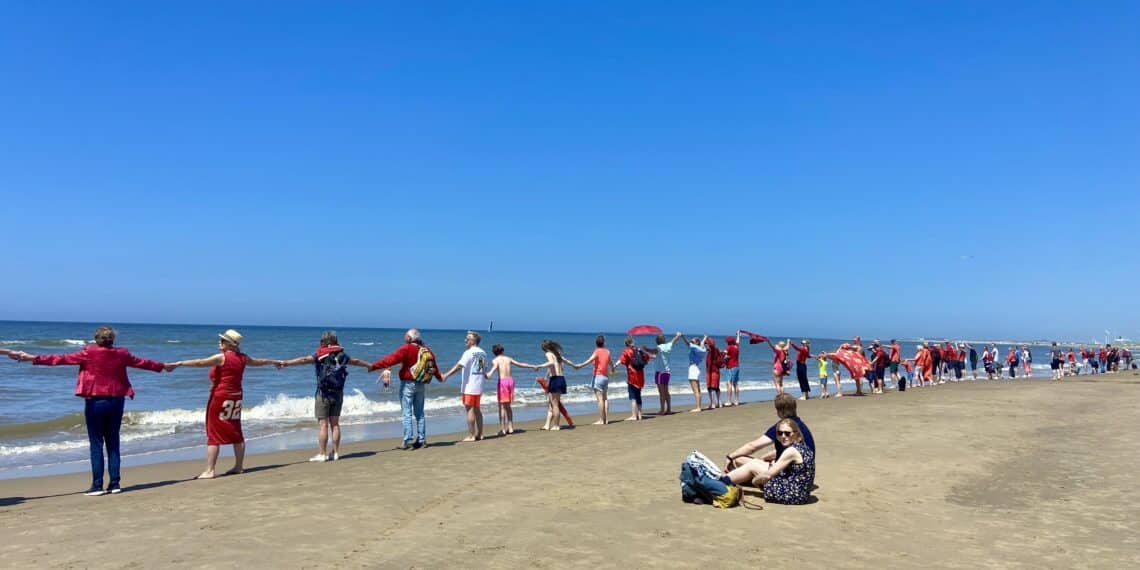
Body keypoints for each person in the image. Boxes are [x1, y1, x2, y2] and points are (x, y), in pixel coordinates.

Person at [5, 326, 167, 495]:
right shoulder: (122, 353)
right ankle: (115, 484)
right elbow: (143, 363)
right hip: (117, 401)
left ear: (96, 339)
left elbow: (60, 359)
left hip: (96, 401)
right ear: (112, 339)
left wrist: (33, 358)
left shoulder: (89, 352)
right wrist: (163, 366)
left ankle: (97, 485)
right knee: (113, 443)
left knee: (96, 443)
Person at [168, 329, 281, 479]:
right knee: (236, 430)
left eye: (222, 340)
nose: (219, 342)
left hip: (220, 397)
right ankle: (239, 466)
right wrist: (274, 361)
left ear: (229, 344)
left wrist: (179, 363)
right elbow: (260, 362)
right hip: (236, 397)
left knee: (213, 433)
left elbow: (200, 363)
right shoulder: (243, 358)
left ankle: (210, 470)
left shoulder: (222, 357)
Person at [278, 330, 372, 462]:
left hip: (323, 394)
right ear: (335, 341)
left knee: (323, 425)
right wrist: (370, 365)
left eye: (321, 341)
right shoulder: (342, 355)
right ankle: (336, 453)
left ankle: (322, 454)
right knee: (335, 424)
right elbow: (356, 361)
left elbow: (304, 360)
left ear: (324, 342)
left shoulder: (320, 354)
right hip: (338, 393)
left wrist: (286, 363)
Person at [368, 329, 443, 450]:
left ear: (409, 338)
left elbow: (391, 359)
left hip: (408, 384)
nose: (404, 337)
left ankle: (408, 440)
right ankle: (421, 440)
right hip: (421, 384)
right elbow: (434, 366)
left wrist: (373, 366)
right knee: (420, 413)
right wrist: (439, 378)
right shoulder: (427, 349)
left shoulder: (406, 348)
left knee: (407, 412)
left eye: (406, 335)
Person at [722, 419, 814, 505]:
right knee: (755, 463)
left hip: (791, 494)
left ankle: (721, 483)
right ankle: (727, 480)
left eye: (787, 433)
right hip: (801, 492)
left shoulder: (791, 451)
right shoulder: (802, 447)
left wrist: (755, 481)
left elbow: (768, 475)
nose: (783, 436)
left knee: (753, 465)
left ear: (796, 433)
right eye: (780, 433)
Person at [723, 393, 815, 470]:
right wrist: (764, 458)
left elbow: (753, 447)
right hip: (806, 471)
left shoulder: (783, 427)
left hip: (789, 473)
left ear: (780, 411)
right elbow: (785, 450)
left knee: (739, 459)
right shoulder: (800, 425)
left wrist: (730, 456)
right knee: (765, 460)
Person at [440, 331, 493, 442]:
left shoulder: (469, 352)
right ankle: (480, 434)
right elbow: (482, 369)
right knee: (477, 410)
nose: (465, 340)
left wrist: (446, 375)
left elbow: (460, 365)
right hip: (478, 386)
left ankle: (471, 435)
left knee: (470, 410)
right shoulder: (482, 353)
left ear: (473, 341)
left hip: (469, 386)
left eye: (467, 339)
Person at [486, 344, 536, 435]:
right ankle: (511, 428)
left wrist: (489, 374)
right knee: (508, 406)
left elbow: (494, 368)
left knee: (502, 407)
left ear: (494, 353)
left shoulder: (495, 360)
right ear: (503, 351)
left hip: (503, 382)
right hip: (510, 381)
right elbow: (520, 364)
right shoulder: (508, 359)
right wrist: (532, 366)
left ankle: (502, 429)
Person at [572, 335, 613, 425]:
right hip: (605, 377)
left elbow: (589, 360)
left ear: (596, 343)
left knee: (600, 400)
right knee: (605, 399)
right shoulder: (607, 351)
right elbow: (610, 363)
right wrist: (613, 369)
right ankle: (606, 419)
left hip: (598, 377)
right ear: (604, 343)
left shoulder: (597, 351)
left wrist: (580, 366)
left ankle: (601, 420)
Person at [534, 339, 574, 430]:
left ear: (545, 348)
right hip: (561, 379)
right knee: (552, 404)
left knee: (554, 405)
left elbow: (551, 363)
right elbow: (567, 361)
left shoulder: (548, 354)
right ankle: (547, 425)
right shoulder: (557, 354)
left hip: (555, 379)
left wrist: (538, 366)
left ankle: (556, 425)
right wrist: (576, 366)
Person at [650, 331, 683, 415]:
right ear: (664, 340)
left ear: (657, 341)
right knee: (666, 392)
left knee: (661, 393)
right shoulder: (668, 346)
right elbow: (674, 340)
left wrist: (645, 349)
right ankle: (668, 409)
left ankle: (662, 410)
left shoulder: (658, 347)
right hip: (667, 372)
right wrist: (678, 335)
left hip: (660, 372)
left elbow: (653, 351)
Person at [615, 337, 648, 421]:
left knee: (633, 397)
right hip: (640, 377)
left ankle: (634, 416)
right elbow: (647, 358)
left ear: (626, 344)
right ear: (632, 342)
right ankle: (640, 415)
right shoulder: (639, 350)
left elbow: (621, 360)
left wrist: (614, 366)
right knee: (638, 396)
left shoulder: (626, 351)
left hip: (632, 377)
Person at [685, 335, 708, 412]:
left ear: (696, 343)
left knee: (695, 390)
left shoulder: (695, 348)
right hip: (696, 368)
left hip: (693, 368)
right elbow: (702, 344)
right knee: (698, 389)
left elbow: (687, 343)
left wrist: (682, 336)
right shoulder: (702, 349)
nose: (691, 342)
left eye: (692, 341)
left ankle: (698, 407)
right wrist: (705, 338)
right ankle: (699, 406)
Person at [723, 332, 742, 406]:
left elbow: (724, 355)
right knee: (735, 384)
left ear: (728, 342)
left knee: (729, 383)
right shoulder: (736, 346)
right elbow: (738, 341)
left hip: (730, 367)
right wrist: (738, 335)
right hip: (736, 367)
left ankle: (728, 401)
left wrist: (725, 357)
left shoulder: (729, 347)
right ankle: (736, 401)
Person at [705, 337, 723, 409]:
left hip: (714, 371)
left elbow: (711, 346)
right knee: (712, 388)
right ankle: (717, 403)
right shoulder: (711, 351)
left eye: (707, 344)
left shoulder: (713, 350)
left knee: (713, 388)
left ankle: (714, 403)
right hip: (710, 372)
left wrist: (706, 339)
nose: (706, 345)